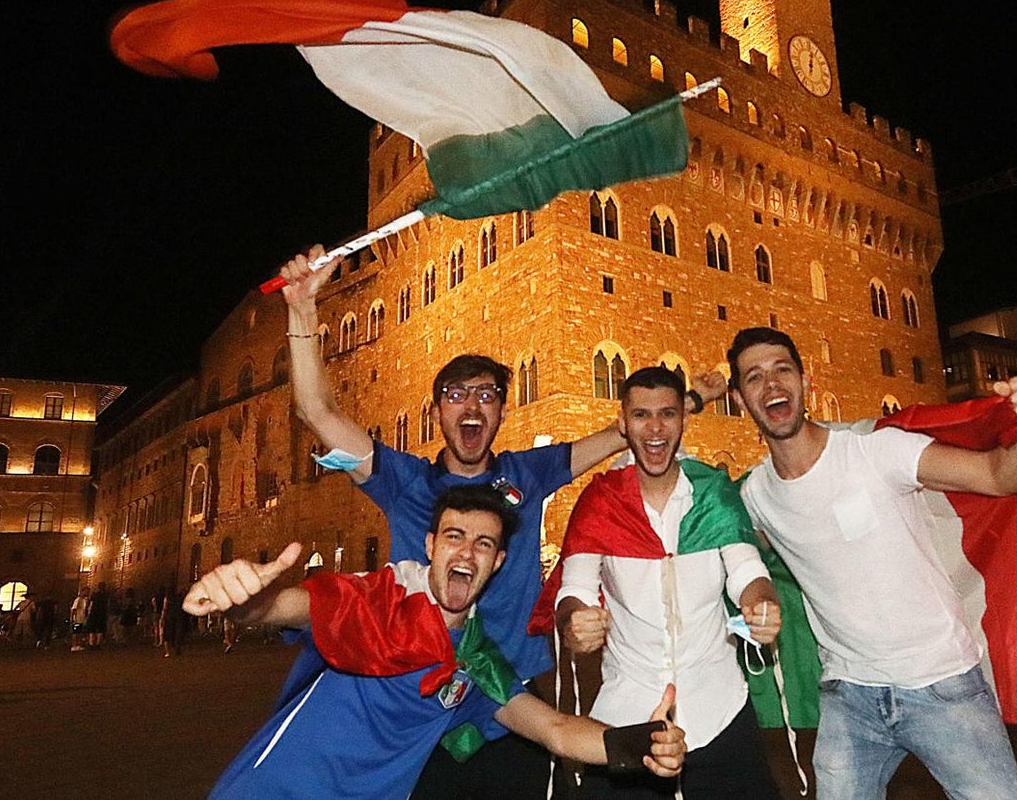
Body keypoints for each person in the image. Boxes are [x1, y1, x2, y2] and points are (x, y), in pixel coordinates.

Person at [278, 245, 724, 797]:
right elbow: (318, 412)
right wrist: (302, 310)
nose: (472, 406)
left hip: (513, 705)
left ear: (501, 412)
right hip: (421, 698)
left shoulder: (525, 474)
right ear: (437, 412)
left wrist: (689, 402)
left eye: (486, 395)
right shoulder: (404, 481)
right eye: (456, 395)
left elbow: (624, 433)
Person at [184, 485, 686, 799]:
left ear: (497, 563)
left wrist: (638, 744)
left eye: (483, 543)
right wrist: (246, 600)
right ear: (430, 546)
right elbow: (293, 607)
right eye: (454, 536)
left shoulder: (477, 662)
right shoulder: (380, 598)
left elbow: (554, 729)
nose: (467, 552)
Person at [727, 326, 1017, 799]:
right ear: (740, 400)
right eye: (754, 377)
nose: (771, 383)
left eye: (782, 370)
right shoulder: (756, 495)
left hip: (941, 683)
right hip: (848, 694)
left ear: (806, 381)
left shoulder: (877, 451)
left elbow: (1002, 476)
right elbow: (735, 556)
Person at [548, 367, 783, 798]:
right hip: (627, 714)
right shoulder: (599, 501)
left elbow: (748, 573)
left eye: (667, 414)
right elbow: (574, 591)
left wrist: (762, 604)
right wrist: (574, 623)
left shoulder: (713, 492)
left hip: (720, 708)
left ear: (683, 420)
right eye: (641, 415)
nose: (655, 428)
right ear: (623, 423)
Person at [86, 582, 109, 649]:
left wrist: (88, 612)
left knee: (92, 628)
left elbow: (90, 604)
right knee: (100, 629)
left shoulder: (94, 595)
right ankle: (98, 643)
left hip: (94, 612)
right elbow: (107, 605)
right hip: (102, 613)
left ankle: (91, 643)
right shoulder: (105, 595)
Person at [70, 587, 90, 651]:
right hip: (77, 618)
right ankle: (74, 645)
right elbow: (74, 609)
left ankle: (79, 645)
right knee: (75, 633)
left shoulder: (85, 600)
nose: (87, 593)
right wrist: (73, 618)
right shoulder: (78, 600)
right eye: (86, 591)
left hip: (82, 618)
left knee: (80, 632)